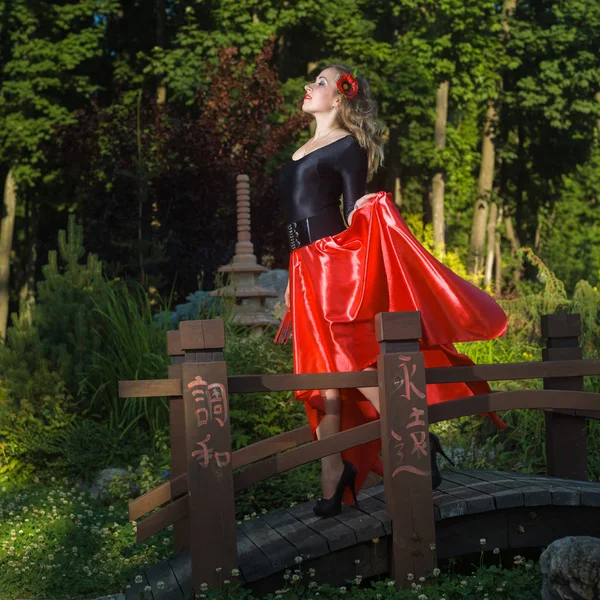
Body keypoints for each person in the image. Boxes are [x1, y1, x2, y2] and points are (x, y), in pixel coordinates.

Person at [274, 64, 508, 518]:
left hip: (331, 265)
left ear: (340, 97)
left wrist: (372, 211)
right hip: (302, 266)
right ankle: (331, 478)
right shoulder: (300, 150)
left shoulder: (348, 146)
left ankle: (415, 436)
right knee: (320, 377)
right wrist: (290, 276)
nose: (309, 87)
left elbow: (353, 212)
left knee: (347, 363)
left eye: (320, 82)